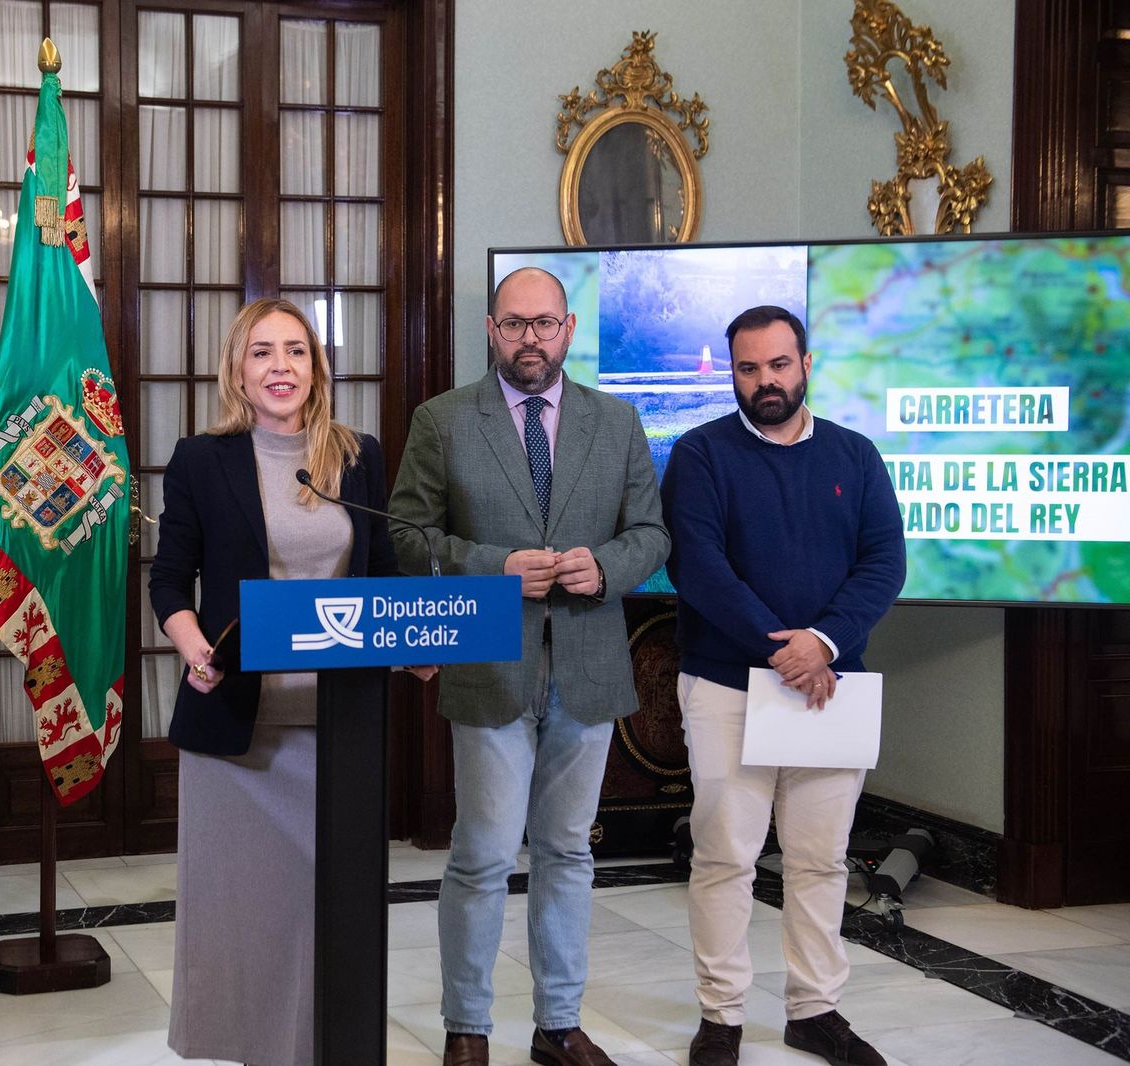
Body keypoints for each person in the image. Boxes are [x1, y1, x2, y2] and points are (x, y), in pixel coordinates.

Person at [389, 267, 670, 1066]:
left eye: (545, 324)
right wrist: (493, 564)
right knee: (480, 856)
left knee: (568, 853)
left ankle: (558, 1024)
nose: (531, 340)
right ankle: (467, 1027)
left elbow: (651, 533)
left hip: (588, 667)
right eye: (515, 325)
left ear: (570, 329)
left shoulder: (616, 423)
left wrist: (607, 567)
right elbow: (408, 537)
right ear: (490, 329)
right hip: (490, 669)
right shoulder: (443, 421)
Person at [150, 297, 419, 1065]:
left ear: (316, 366)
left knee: (324, 912)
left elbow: (387, 574)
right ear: (239, 368)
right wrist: (194, 646)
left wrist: (415, 644)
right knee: (248, 919)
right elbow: (171, 581)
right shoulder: (203, 459)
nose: (280, 367)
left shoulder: (356, 453)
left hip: (339, 733)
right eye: (262, 352)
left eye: (295, 351)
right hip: (238, 734)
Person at [660, 305, 906, 1066]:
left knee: (820, 860)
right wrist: (784, 649)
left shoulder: (856, 456)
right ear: (730, 371)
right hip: (728, 685)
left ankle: (814, 1009)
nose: (764, 381)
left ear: (806, 365)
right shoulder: (699, 455)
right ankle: (722, 1016)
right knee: (726, 856)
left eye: (778, 365)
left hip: (833, 686)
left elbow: (884, 563)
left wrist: (823, 643)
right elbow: (697, 565)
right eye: (747, 368)